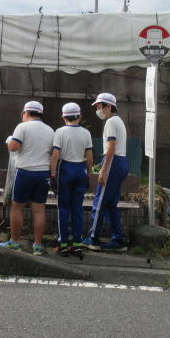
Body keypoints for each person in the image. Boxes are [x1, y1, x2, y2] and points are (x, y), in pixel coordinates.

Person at [0, 101, 54, 256]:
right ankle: (38, 245)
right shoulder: (50, 130)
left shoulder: (22, 127)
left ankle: (15, 242)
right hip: (43, 174)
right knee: (39, 210)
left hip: (25, 173)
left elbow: (13, 147)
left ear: (26, 113)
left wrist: (10, 141)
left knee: (17, 208)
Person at [83, 93, 129, 251]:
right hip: (121, 162)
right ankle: (118, 240)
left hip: (112, 163)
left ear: (109, 106)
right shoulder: (119, 121)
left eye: (99, 106)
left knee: (99, 202)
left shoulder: (110, 122)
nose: (98, 109)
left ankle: (93, 238)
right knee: (110, 204)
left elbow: (111, 148)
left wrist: (103, 170)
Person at [50, 102, 93, 257]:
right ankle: (77, 245)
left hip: (65, 169)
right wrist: (88, 173)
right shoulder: (86, 133)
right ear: (79, 116)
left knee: (63, 208)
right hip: (80, 170)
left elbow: (55, 154)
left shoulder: (60, 132)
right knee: (77, 209)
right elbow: (89, 156)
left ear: (64, 117)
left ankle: (63, 244)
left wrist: (53, 173)